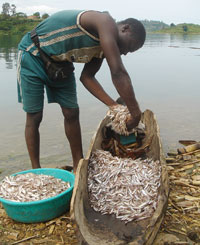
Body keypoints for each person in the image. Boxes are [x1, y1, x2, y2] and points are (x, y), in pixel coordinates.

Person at [17, 10, 146, 173]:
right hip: (33, 53)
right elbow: (118, 72)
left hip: (61, 64)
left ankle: (78, 165)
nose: (125, 52)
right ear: (125, 28)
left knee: (71, 112)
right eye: (129, 46)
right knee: (35, 115)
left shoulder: (101, 48)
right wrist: (136, 113)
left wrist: (115, 107)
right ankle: (35, 170)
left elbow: (87, 78)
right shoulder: (105, 22)